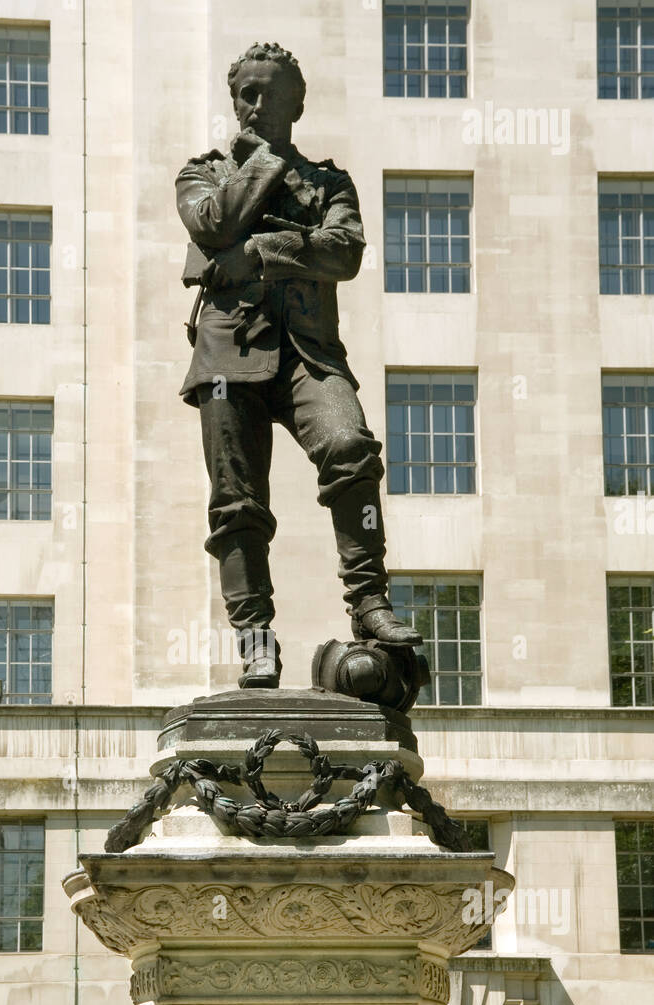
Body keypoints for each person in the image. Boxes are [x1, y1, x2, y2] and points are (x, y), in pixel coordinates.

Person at [176, 41, 422, 689]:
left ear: (298, 102)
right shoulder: (202, 173)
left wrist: (259, 249)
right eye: (246, 94)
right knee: (236, 500)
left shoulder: (331, 182)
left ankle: (369, 603)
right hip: (229, 352)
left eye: (271, 94)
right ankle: (255, 635)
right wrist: (268, 165)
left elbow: (343, 253)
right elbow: (212, 223)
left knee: (349, 445)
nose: (256, 105)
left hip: (309, 351)